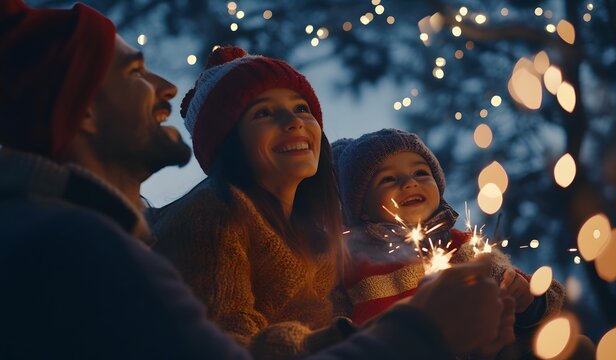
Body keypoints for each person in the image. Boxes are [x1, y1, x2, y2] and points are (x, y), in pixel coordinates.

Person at [0, 1, 512, 358]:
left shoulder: (318, 232)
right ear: (84, 110)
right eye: (135, 73)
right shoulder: (81, 244)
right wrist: (422, 331)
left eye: (302, 109)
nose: (164, 86)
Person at [149, 47, 515, 359]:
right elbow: (227, 346)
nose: (293, 121)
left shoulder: (317, 231)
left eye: (302, 109)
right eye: (263, 112)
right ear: (226, 141)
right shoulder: (214, 218)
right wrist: (376, 336)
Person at [333, 129, 566, 357]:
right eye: (388, 179)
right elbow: (332, 330)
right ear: (360, 207)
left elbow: (535, 296)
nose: (409, 183)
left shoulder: (460, 245)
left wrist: (526, 299)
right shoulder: (350, 263)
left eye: (421, 173)